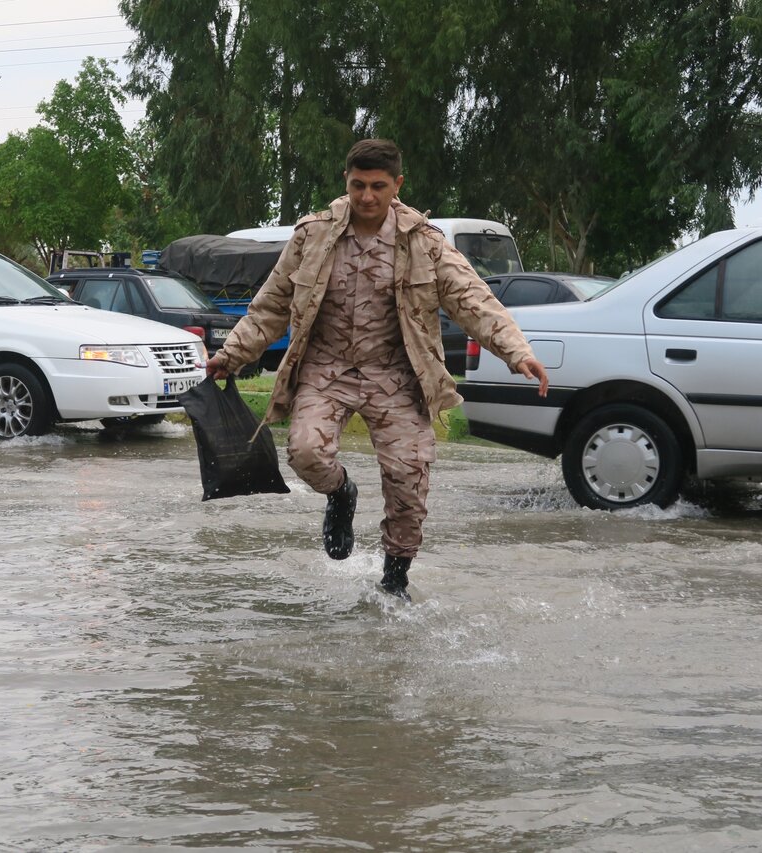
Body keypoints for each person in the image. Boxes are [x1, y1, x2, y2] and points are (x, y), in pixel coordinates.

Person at [205, 138, 548, 601]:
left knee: (410, 476)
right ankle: (341, 492)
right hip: (326, 368)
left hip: (397, 374)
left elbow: (473, 299)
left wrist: (517, 352)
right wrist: (231, 355)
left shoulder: (424, 242)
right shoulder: (313, 235)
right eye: (358, 185)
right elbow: (271, 305)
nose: (367, 196)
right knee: (306, 453)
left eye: (378, 186)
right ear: (345, 182)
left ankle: (394, 579)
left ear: (397, 185)